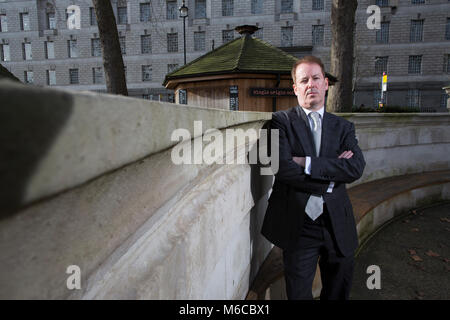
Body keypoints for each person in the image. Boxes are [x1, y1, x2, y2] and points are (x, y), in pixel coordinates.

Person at [261, 56, 366, 300]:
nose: (311, 84)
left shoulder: (344, 128)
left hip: (337, 223)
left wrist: (305, 162)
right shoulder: (280, 122)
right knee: (298, 295)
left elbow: (355, 168)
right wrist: (332, 174)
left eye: (316, 78)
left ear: (326, 84)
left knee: (338, 291)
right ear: (295, 88)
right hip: (298, 223)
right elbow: (282, 168)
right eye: (304, 80)